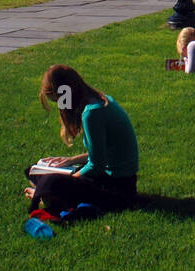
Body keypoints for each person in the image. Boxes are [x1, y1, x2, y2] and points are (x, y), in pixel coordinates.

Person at [25, 64, 139, 216]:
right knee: (33, 171)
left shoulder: (92, 113)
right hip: (115, 178)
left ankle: (48, 195)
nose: (60, 106)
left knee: (52, 181)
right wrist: (70, 161)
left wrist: (69, 178)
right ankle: (48, 192)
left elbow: (96, 166)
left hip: (116, 187)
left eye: (57, 100)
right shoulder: (99, 101)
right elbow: (104, 154)